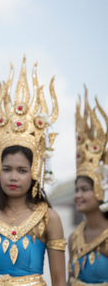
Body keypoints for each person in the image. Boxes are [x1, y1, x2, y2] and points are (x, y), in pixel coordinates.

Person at [0, 57, 67, 286]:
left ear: (34, 171)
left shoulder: (48, 218)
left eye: (22, 170)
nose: (13, 177)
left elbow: (60, 281)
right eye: (7, 169)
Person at [68, 88, 108, 285]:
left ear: (102, 190)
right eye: (76, 190)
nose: (77, 195)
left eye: (84, 189)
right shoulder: (74, 238)